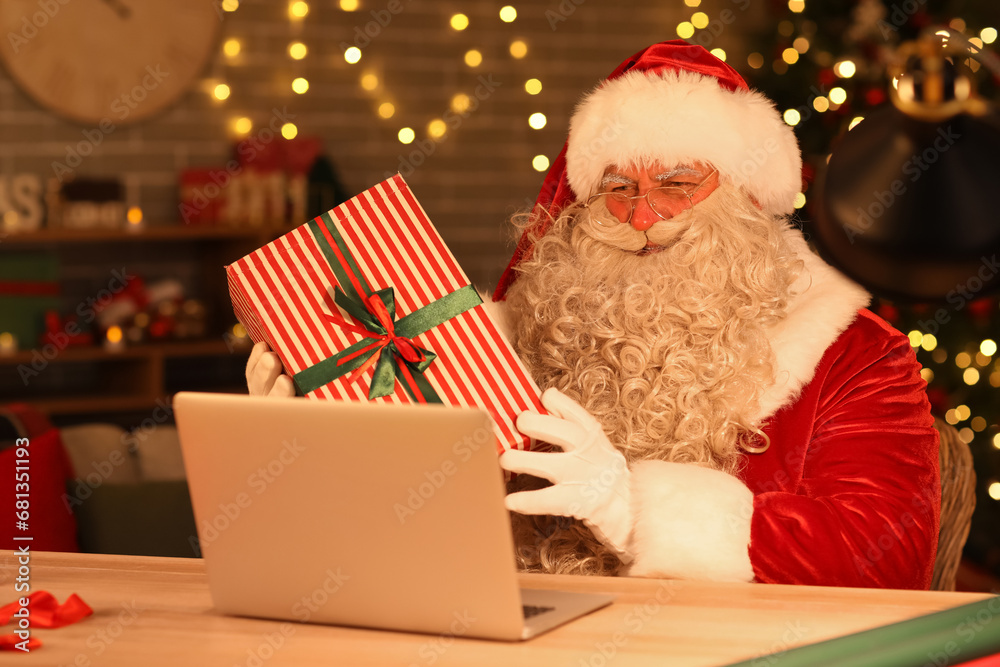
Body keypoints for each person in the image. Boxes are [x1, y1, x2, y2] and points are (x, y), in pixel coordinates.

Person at [246, 41, 940, 589]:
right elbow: (387, 545)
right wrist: (313, 443)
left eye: (676, 183)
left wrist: (634, 508)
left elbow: (885, 555)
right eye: (617, 187)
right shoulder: (491, 347)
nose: (642, 216)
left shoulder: (852, 354)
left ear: (745, 198)